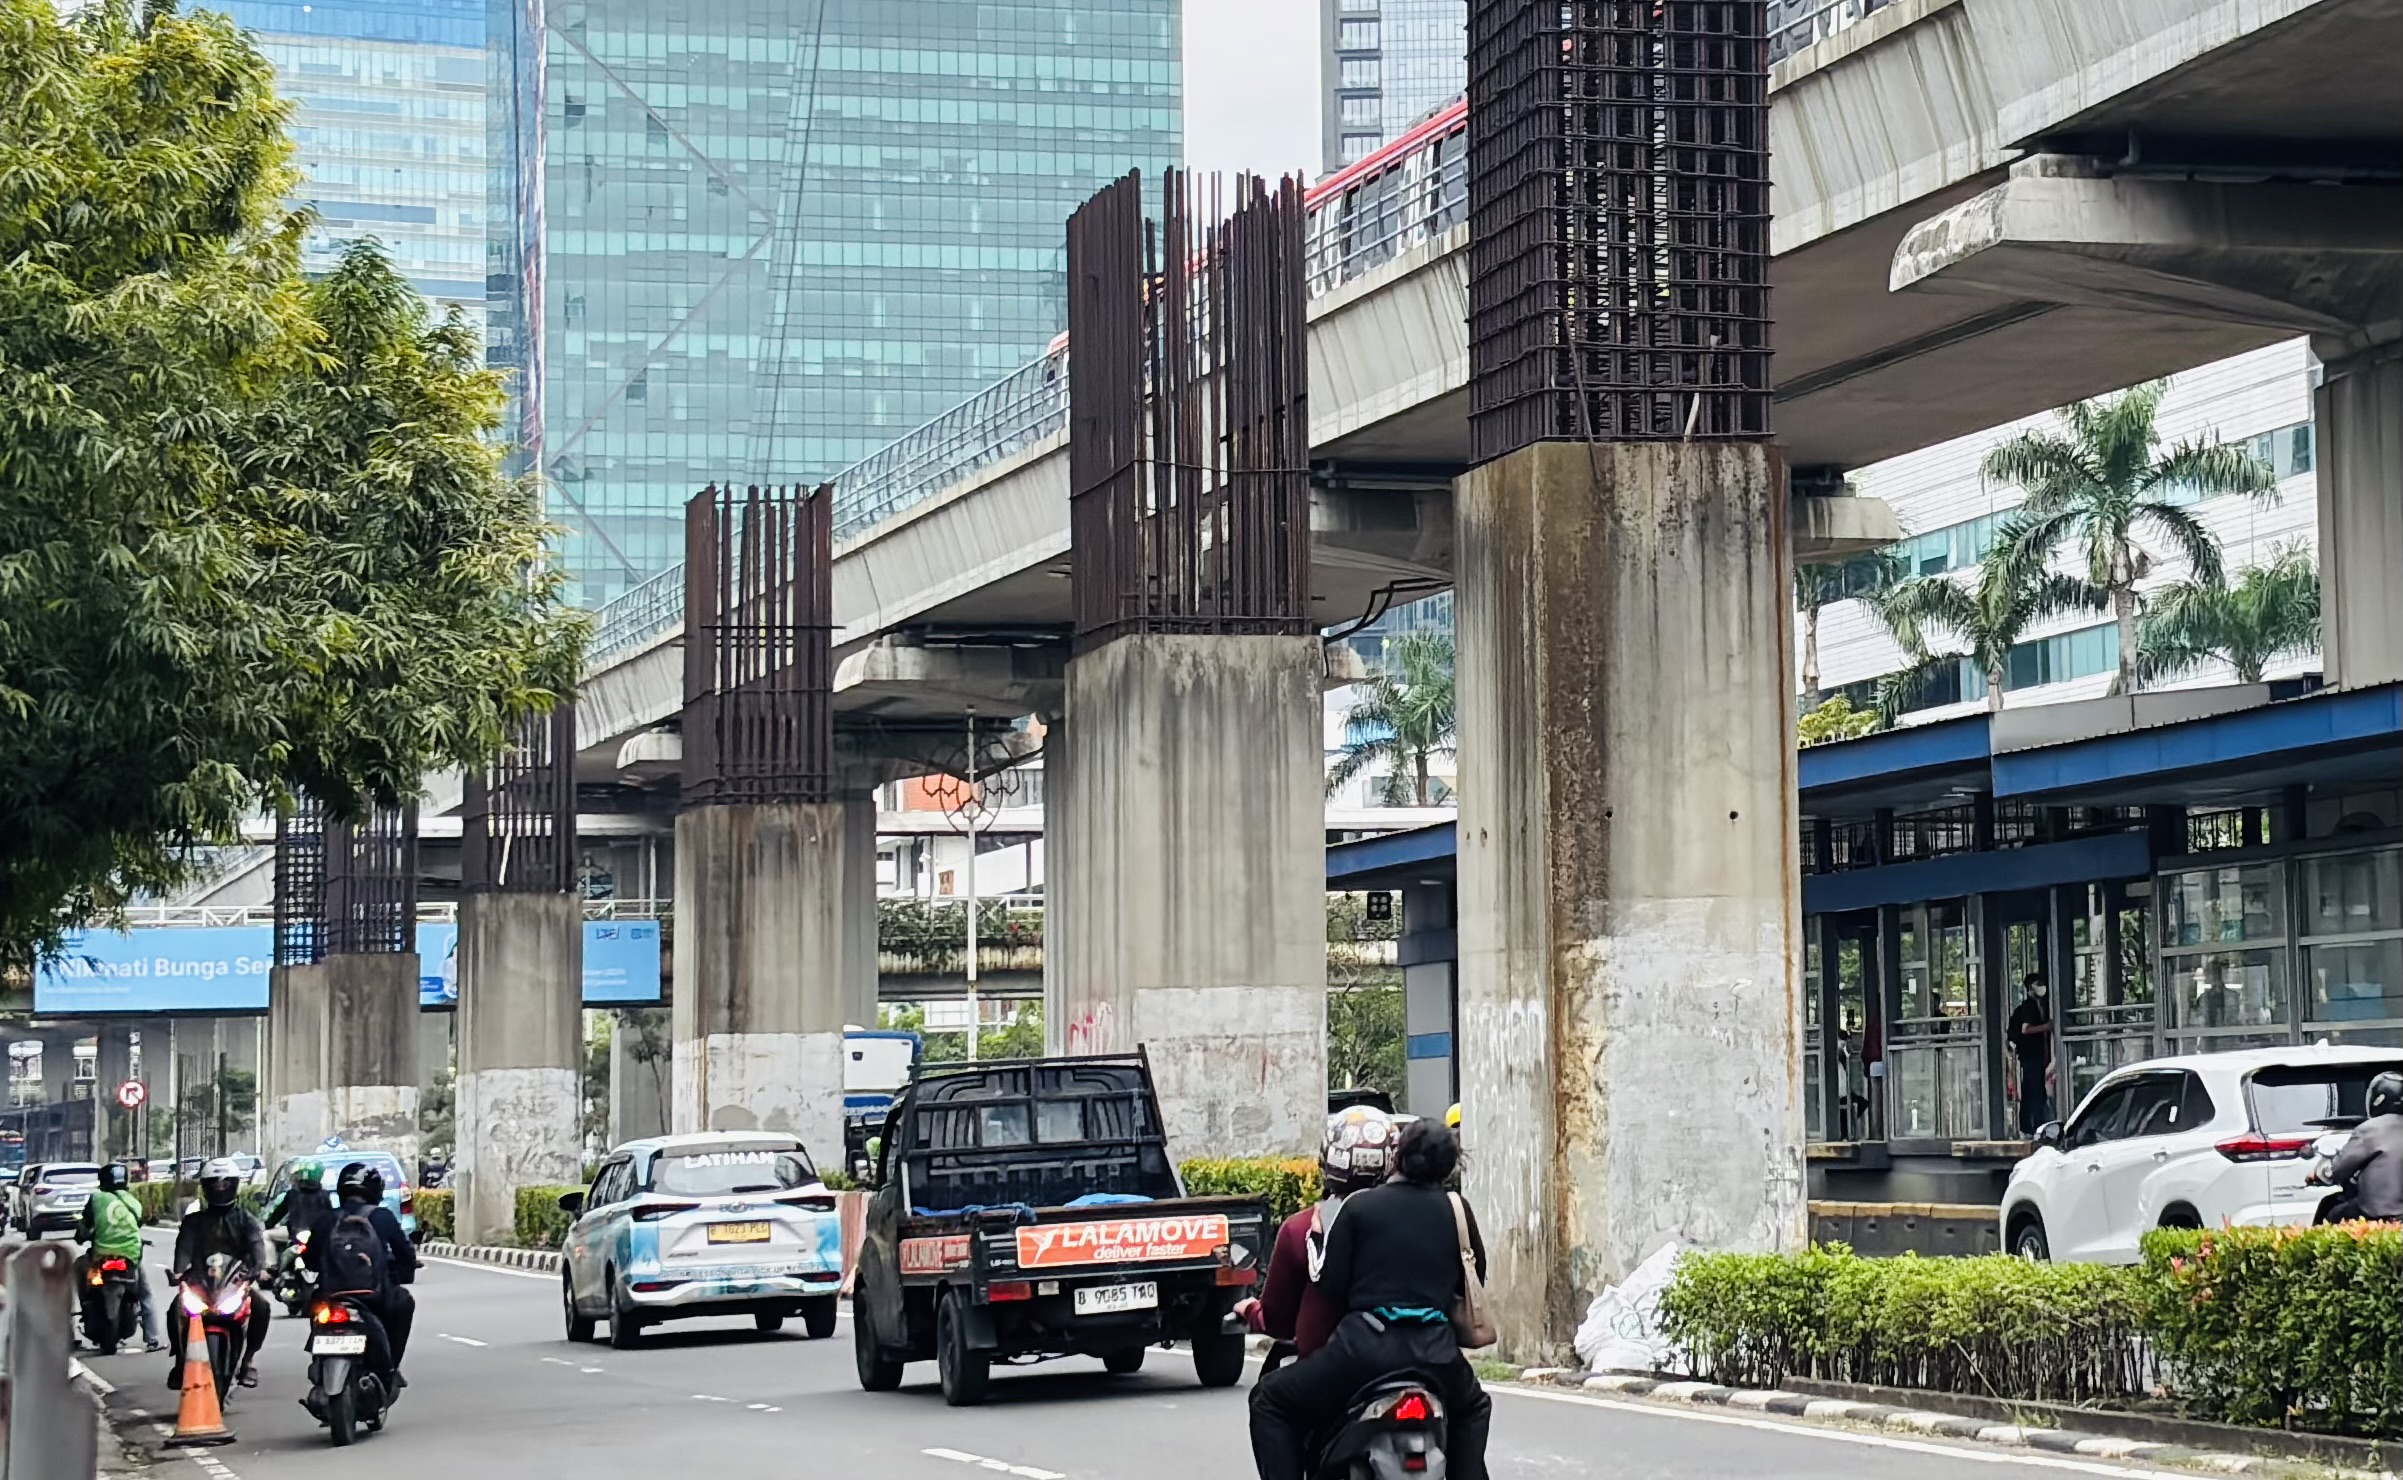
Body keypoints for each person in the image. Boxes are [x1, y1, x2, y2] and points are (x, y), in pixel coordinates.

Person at [1249, 1119, 1492, 1480]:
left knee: (1270, 1400)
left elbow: (1331, 1288)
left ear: (1398, 1157)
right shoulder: (1457, 1209)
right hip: (1438, 1356)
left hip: (1363, 1351)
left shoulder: (1360, 1207)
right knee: (1474, 1408)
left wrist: (1318, 1243)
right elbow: (1474, 1279)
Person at [1241, 1106, 1400, 1365]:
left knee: (1267, 1401)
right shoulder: (1417, 1219)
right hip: (1414, 1358)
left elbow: (1278, 1321)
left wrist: (1251, 1311)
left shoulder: (1303, 1228)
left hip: (1331, 1364)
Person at [304, 1162, 417, 1384]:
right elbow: (405, 1255)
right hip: (373, 1297)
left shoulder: (326, 1220)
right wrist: (402, 1272)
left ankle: (319, 1363)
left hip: (331, 1297)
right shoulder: (382, 1217)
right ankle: (391, 1369)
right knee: (404, 1303)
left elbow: (310, 1260)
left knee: (315, 1306)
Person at [168, 1157, 271, 1387]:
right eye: (215, 1184)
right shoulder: (193, 1221)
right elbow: (183, 1248)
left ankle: (248, 1361)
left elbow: (257, 1247)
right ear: (205, 1187)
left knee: (262, 1307)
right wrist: (178, 1272)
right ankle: (178, 1360)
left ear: (235, 1185)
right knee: (174, 1309)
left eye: (225, 1183)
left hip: (236, 1282)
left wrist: (258, 1269)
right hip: (200, 1283)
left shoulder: (246, 1219)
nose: (220, 1188)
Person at [74, 1162, 163, 1352]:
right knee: (144, 1293)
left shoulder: (96, 1199)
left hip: (101, 1256)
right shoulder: (134, 1203)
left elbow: (84, 1226)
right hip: (130, 1257)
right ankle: (153, 1338)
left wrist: (82, 1236)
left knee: (79, 1268)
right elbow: (136, 1225)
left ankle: (82, 1309)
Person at [2320, 1070, 2403, 1221]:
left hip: (2378, 1213)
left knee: (2332, 1214)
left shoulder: (2370, 1129)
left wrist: (2319, 1175)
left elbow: (2338, 1170)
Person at [2007, 972, 2054, 1133]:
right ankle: (2033, 1127)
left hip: (2036, 1055)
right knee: (2034, 1092)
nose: (2041, 986)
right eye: (2037, 983)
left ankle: (2032, 1126)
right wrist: (2047, 1027)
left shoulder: (2041, 1005)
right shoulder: (2029, 1006)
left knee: (2034, 1090)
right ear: (2030, 988)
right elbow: (2025, 1029)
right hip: (2031, 1055)